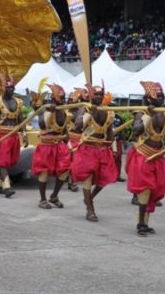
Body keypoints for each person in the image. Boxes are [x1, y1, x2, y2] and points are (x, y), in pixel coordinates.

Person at [126, 81, 165, 236]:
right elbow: (135, 131)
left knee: (154, 192)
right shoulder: (141, 113)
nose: (160, 98)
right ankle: (141, 224)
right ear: (148, 98)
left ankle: (146, 223)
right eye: (156, 96)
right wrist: (148, 116)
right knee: (145, 191)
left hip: (158, 158)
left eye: (162, 96)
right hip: (142, 156)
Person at [71, 82, 118, 222]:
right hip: (87, 148)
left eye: (100, 95)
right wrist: (89, 114)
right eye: (96, 94)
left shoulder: (108, 111)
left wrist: (113, 148)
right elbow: (77, 126)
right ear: (91, 95)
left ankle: (89, 199)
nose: (98, 97)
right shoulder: (84, 108)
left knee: (105, 179)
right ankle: (90, 210)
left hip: (103, 149)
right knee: (87, 179)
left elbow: (110, 132)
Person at [30, 83, 71, 209]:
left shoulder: (65, 113)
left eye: (65, 98)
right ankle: (42, 199)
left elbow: (64, 131)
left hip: (59, 146)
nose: (64, 101)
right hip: (46, 146)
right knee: (44, 172)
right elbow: (42, 125)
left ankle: (54, 196)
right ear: (54, 98)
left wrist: (69, 145)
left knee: (65, 170)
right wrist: (45, 113)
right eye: (61, 98)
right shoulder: (45, 109)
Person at [0, 73, 28, 197]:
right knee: (3, 162)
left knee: (10, 162)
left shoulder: (18, 102)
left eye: (12, 88)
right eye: (8, 88)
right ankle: (7, 187)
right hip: (2, 136)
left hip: (14, 136)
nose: (10, 90)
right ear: (4, 88)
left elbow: (21, 120)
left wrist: (24, 134)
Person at [66, 88, 88, 192]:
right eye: (69, 100)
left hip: (80, 139)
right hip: (66, 139)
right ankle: (71, 181)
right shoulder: (64, 110)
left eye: (73, 100)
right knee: (67, 161)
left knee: (76, 161)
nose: (71, 102)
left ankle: (72, 181)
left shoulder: (83, 110)